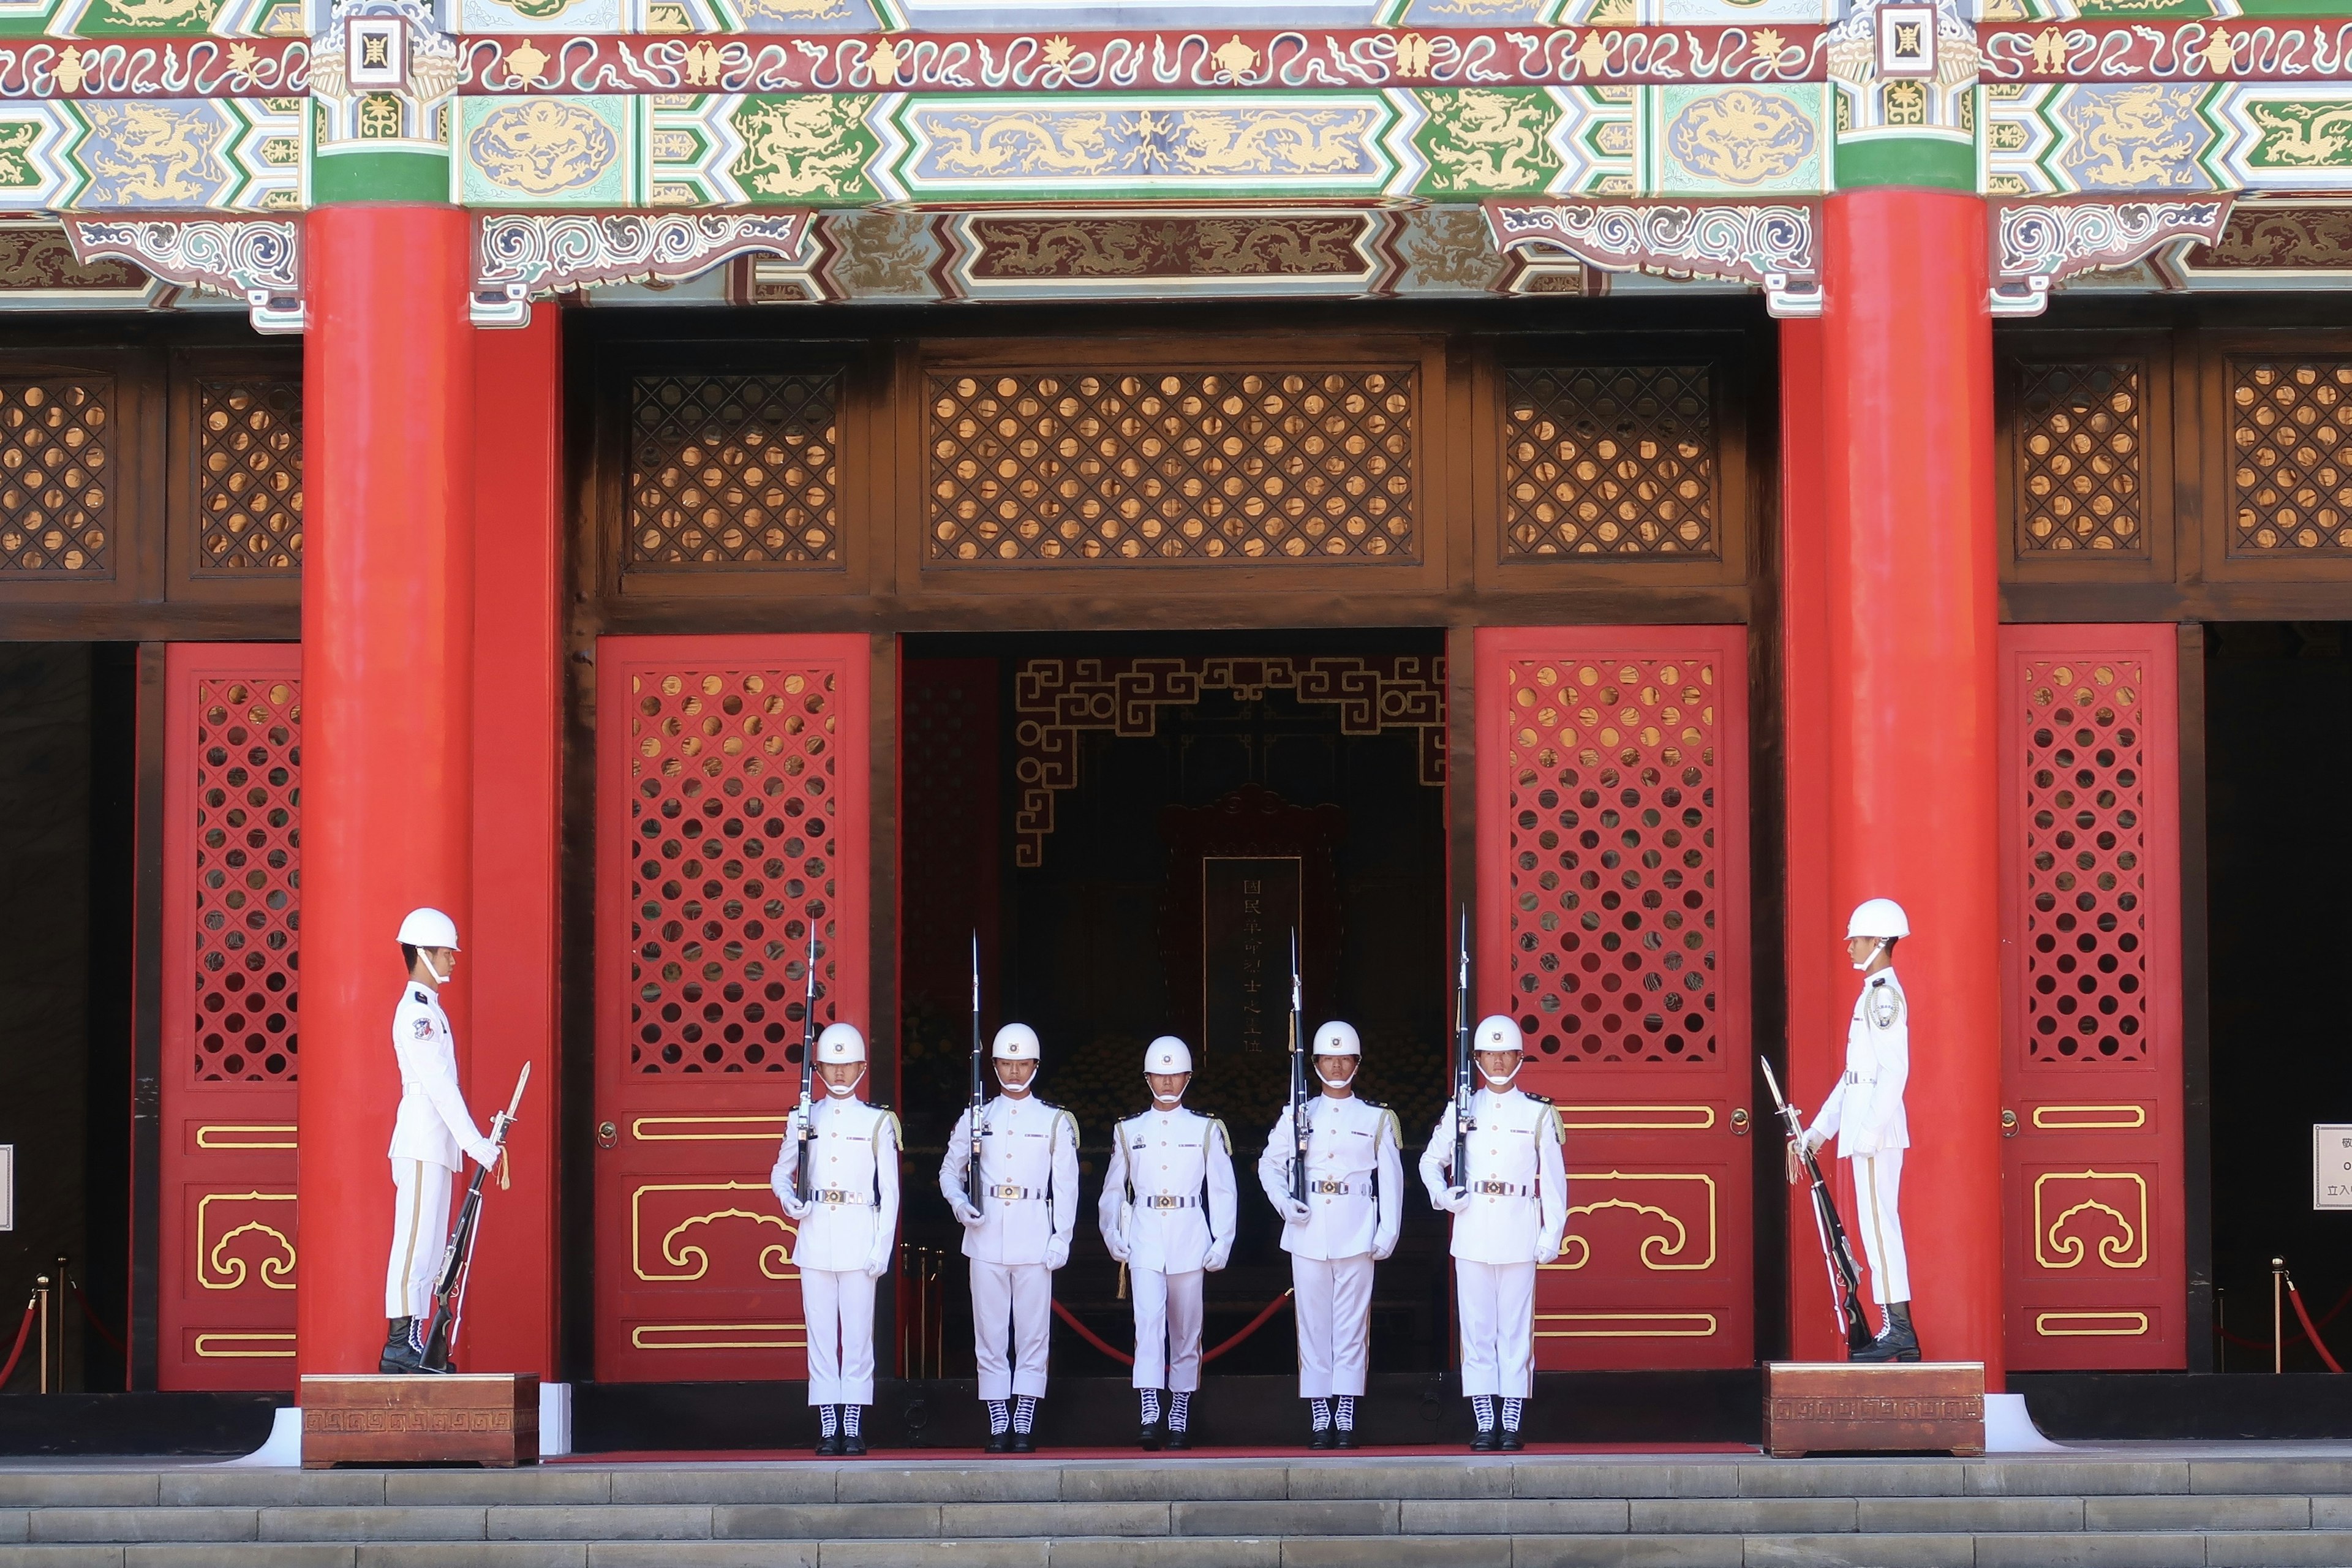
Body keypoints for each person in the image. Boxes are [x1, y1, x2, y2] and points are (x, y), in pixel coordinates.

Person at [1418, 1014, 1567, 1450]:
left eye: (1506, 1053)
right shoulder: (1462, 1109)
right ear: (1477, 1058)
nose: (1498, 1061)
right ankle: (1485, 1420)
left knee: (1516, 1330)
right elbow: (1430, 1162)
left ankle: (1512, 1419)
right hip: (1473, 1228)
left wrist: (1550, 1235)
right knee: (1478, 1329)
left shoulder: (1538, 1112)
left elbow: (1554, 1182)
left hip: (1519, 1227)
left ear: (1519, 1057)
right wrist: (1445, 1196)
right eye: (1489, 1053)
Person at [1257, 1020, 1402, 1448]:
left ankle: (1347, 1409)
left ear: (1356, 1063)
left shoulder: (1375, 1117)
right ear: (1315, 1063)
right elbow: (1269, 1165)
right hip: (1309, 1227)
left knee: (1352, 1324)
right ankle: (1321, 1411)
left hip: (1357, 1227)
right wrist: (1285, 1203)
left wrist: (1388, 1231)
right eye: (1328, 1059)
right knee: (1314, 1324)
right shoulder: (1298, 1115)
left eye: (1344, 1059)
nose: (1336, 1066)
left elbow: (1391, 1181)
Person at [940, 1022, 1080, 1452]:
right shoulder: (977, 1116)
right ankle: (998, 1415)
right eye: (1006, 1062)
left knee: (1033, 1332)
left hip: (1034, 1233)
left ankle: (1025, 1416)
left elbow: (1067, 1186)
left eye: (1022, 1063)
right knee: (991, 1332)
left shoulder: (1054, 1120)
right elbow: (950, 1171)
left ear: (1035, 1065)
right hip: (986, 1236)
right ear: (994, 1065)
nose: (1014, 1071)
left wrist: (1063, 1237)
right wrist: (961, 1205)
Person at [379, 907, 503, 1376]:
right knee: (413, 1244)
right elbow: (439, 1087)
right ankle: (398, 1345)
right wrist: (475, 1143)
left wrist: (471, 1142)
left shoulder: (431, 1010)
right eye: (445, 952)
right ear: (423, 954)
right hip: (421, 1140)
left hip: (435, 1143)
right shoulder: (417, 1015)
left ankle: (414, 1340)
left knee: (432, 1248)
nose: (453, 959)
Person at [1794, 897, 1917, 1363]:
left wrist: (1867, 1132)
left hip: (1877, 1133)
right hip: (1869, 1128)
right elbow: (1854, 1078)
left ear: (1880, 943)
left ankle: (1899, 1328)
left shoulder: (1883, 995)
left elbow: (1895, 1073)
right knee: (1874, 1228)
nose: (1849, 947)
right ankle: (1897, 1328)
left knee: (1881, 1229)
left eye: (1857, 939)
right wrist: (1819, 1130)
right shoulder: (1870, 993)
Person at [1099, 1036, 1237, 1450]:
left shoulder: (1206, 1128)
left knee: (1186, 1328)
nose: (1166, 1081)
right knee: (1148, 1324)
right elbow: (1112, 1191)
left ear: (1188, 1076)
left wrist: (1222, 1239)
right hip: (1144, 1233)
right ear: (1147, 1077)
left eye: (1174, 1072)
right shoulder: (1129, 1129)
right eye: (1159, 1073)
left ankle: (1179, 1408)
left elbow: (1224, 1191)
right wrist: (1112, 1233)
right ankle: (1150, 1410)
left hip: (1189, 1232)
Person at [772, 1021, 900, 1456]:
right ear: (819, 1067)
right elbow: (780, 1173)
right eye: (831, 1065)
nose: (840, 1074)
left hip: (859, 1235)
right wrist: (790, 1201)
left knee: (859, 1336)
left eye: (848, 1066)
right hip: (814, 1236)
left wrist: (882, 1246)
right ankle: (829, 1423)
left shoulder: (878, 1121)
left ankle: (854, 1421)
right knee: (822, 1335)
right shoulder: (802, 1117)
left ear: (862, 1067)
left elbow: (891, 1192)